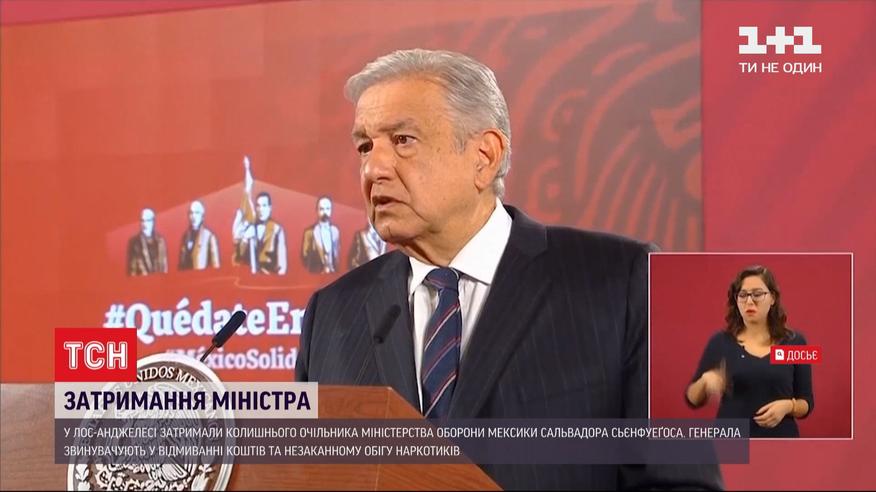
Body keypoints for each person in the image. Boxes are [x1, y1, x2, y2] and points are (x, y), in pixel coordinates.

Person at [295, 49, 722, 489]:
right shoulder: (333, 314)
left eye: (403, 140)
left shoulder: (623, 282)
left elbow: (681, 481)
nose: (373, 168)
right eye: (365, 146)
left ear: (485, 155)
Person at [686, 265, 814, 438]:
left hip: (781, 443)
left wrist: (789, 406)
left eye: (757, 294)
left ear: (772, 298)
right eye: (743, 295)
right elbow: (692, 399)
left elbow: (807, 402)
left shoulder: (795, 342)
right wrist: (704, 381)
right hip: (731, 443)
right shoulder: (721, 342)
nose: (749, 301)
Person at [232, 156, 287, 275]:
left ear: (270, 208)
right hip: (249, 281)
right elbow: (237, 259)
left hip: (270, 281)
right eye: (258, 206)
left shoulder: (277, 229)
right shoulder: (250, 227)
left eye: (264, 206)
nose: (261, 209)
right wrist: (245, 239)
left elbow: (282, 265)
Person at [301, 196, 341, 273]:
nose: (325, 212)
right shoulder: (309, 232)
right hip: (316, 273)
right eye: (322, 209)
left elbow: (337, 253)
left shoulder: (335, 231)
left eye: (328, 209)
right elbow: (305, 255)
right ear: (317, 210)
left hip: (333, 273)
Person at [178, 200, 220, 270]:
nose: (193, 216)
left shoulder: (209, 237)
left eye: (197, 213)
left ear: (202, 216)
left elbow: (215, 266)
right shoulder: (185, 236)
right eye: (191, 213)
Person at [126, 208, 167, 276]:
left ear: (153, 222)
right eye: (142, 221)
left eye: (148, 220)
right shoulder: (134, 243)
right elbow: (132, 271)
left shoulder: (161, 241)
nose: (144, 224)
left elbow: (164, 266)